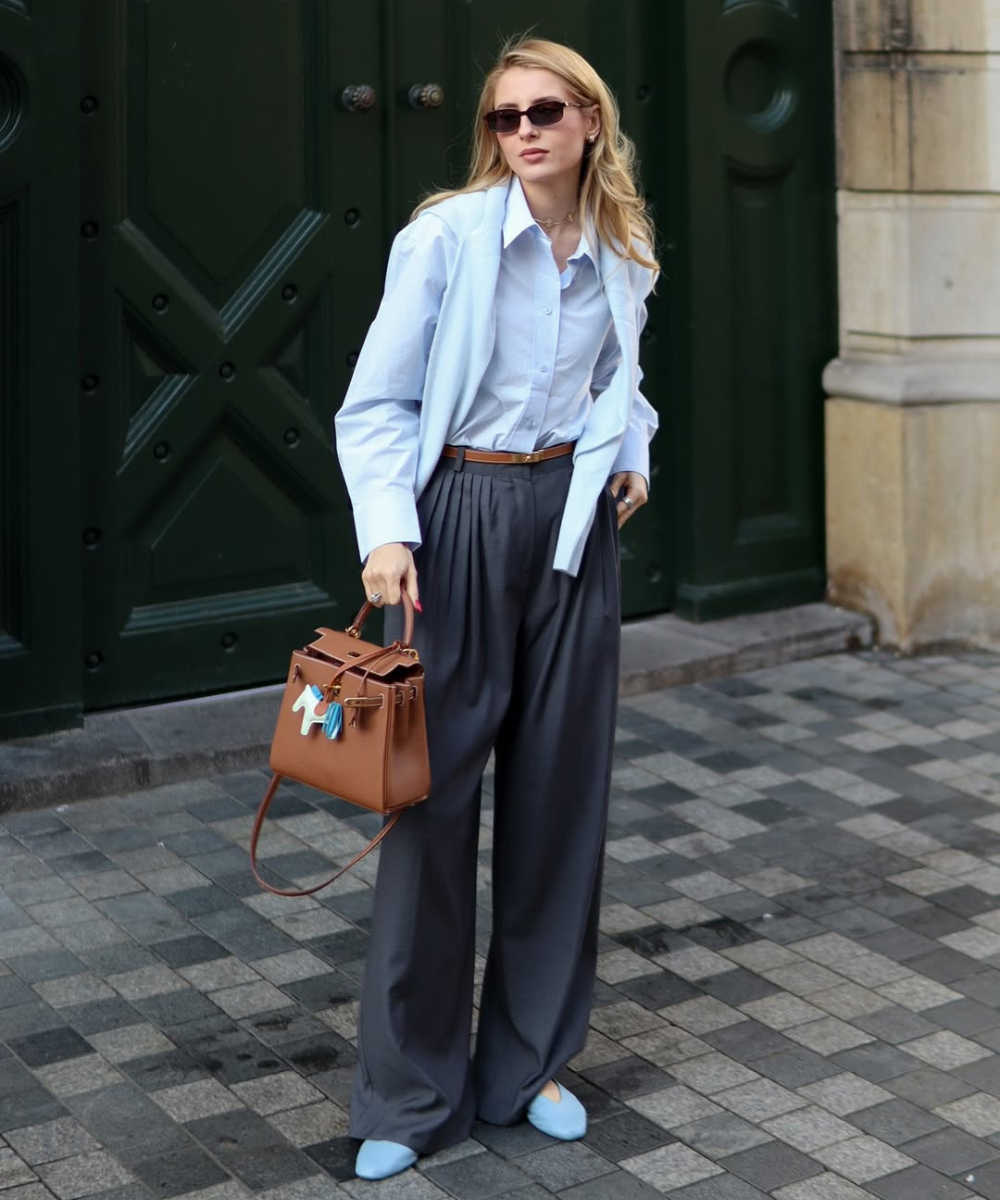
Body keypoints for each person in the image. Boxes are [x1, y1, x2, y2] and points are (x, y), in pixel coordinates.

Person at [334, 35, 659, 1182]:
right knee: (428, 808)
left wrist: (633, 452)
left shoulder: (622, 244)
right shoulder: (447, 239)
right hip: (458, 518)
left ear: (589, 121)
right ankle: (409, 1094)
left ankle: (528, 1067)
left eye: (544, 111)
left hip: (571, 529)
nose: (523, 131)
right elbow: (376, 402)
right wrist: (388, 531)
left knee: (559, 800)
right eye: (503, 116)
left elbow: (620, 378)